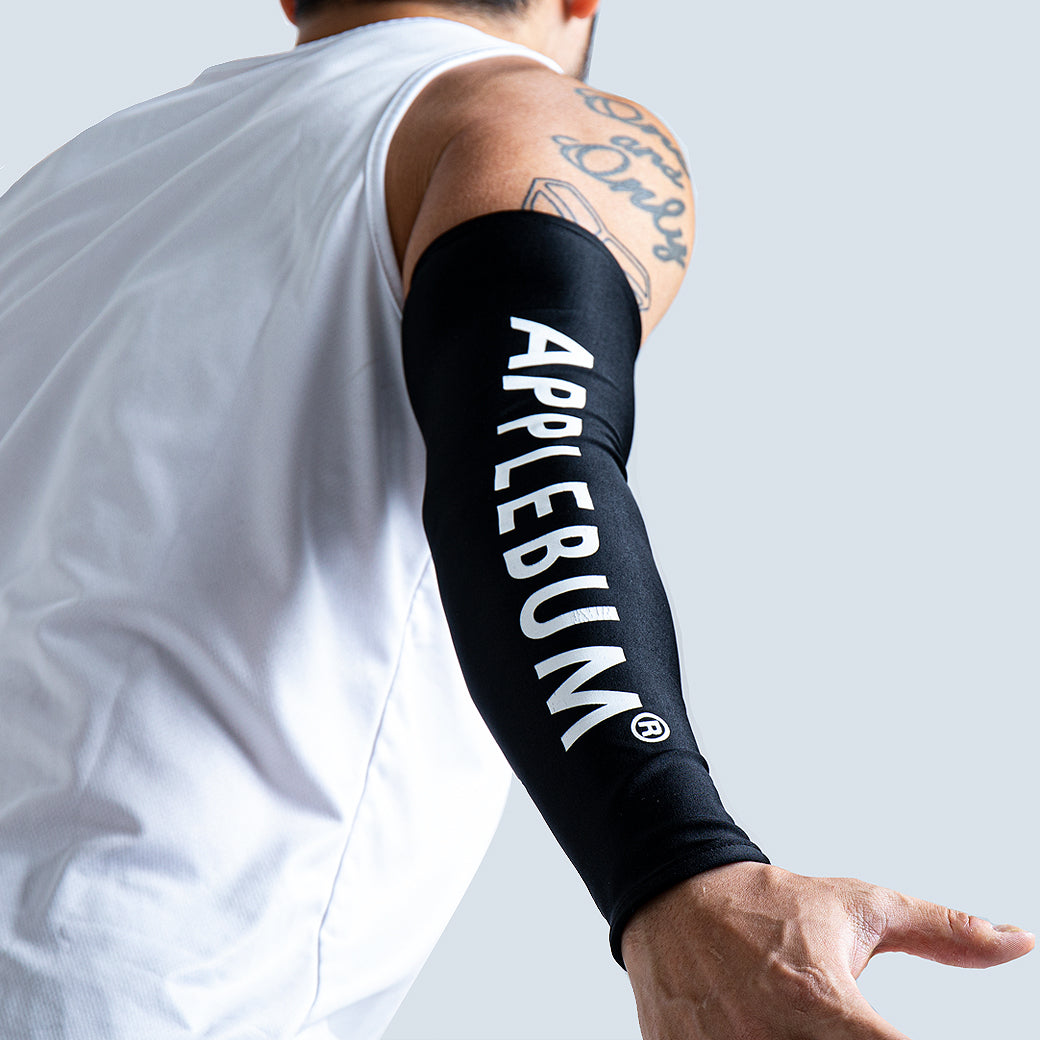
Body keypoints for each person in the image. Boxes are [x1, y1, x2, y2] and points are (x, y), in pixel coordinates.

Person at [0, 1, 1032, 1038]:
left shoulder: (65, 191)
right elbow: (530, 452)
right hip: (135, 990)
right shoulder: (510, 116)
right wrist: (679, 864)